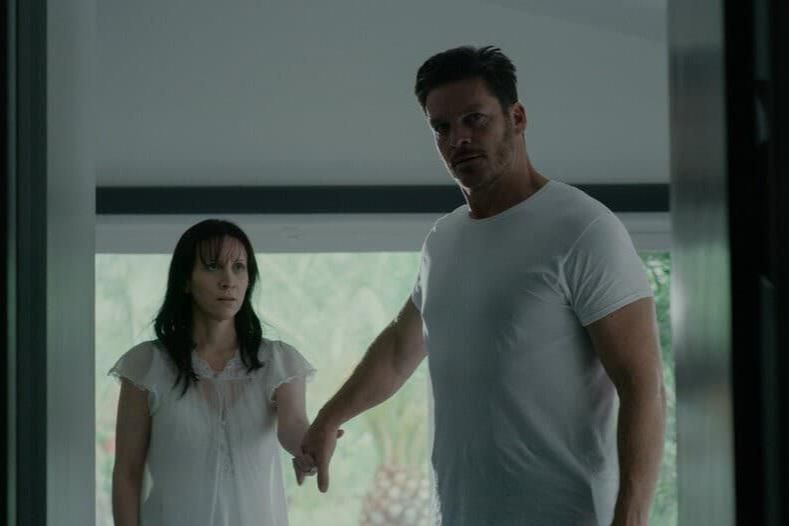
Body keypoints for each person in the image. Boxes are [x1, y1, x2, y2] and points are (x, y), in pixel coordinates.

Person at [300, 46, 666, 526]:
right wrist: (329, 419)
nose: (459, 139)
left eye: (475, 119)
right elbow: (398, 350)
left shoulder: (583, 228)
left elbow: (643, 386)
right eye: (442, 127)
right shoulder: (443, 240)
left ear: (517, 118)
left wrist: (631, 518)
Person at [110, 219, 322, 526]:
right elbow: (127, 472)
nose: (228, 280)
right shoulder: (146, 365)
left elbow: (294, 425)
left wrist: (311, 448)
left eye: (239, 267)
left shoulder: (279, 361)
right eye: (212, 267)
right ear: (185, 280)